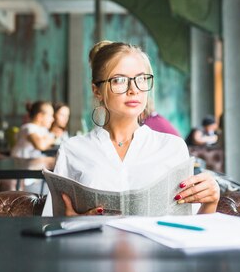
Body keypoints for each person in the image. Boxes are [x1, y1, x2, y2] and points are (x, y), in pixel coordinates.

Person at [43, 41, 219, 216]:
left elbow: (190, 225)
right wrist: (74, 222)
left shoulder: (173, 147)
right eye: (119, 80)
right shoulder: (73, 149)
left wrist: (211, 202)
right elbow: (51, 222)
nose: (133, 89)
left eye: (141, 79)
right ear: (97, 91)